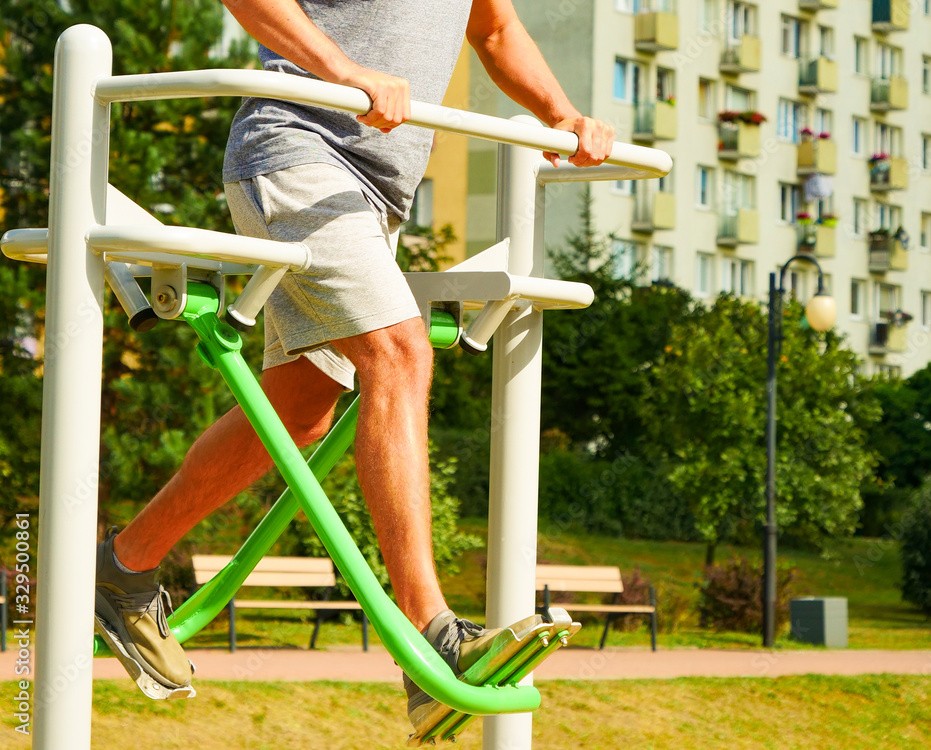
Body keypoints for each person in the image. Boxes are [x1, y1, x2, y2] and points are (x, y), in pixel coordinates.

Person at [94, 0, 614, 730]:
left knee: (301, 411)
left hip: (377, 193)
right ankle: (430, 643)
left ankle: (124, 566)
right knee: (397, 351)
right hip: (297, 150)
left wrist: (564, 113)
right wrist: (342, 69)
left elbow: (494, 29)